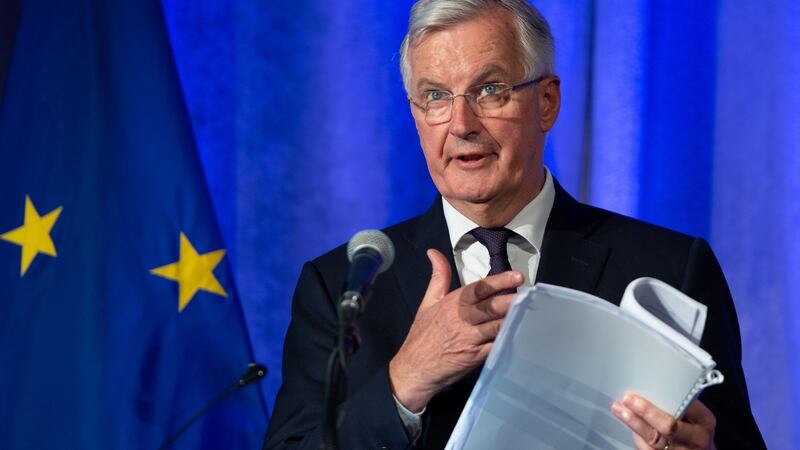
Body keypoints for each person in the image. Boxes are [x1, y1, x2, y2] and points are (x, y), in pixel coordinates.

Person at [264, 1, 766, 449]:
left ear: (546, 102)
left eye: (489, 89)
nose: (461, 123)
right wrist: (407, 379)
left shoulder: (670, 267)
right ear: (416, 114)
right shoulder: (342, 287)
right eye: (436, 96)